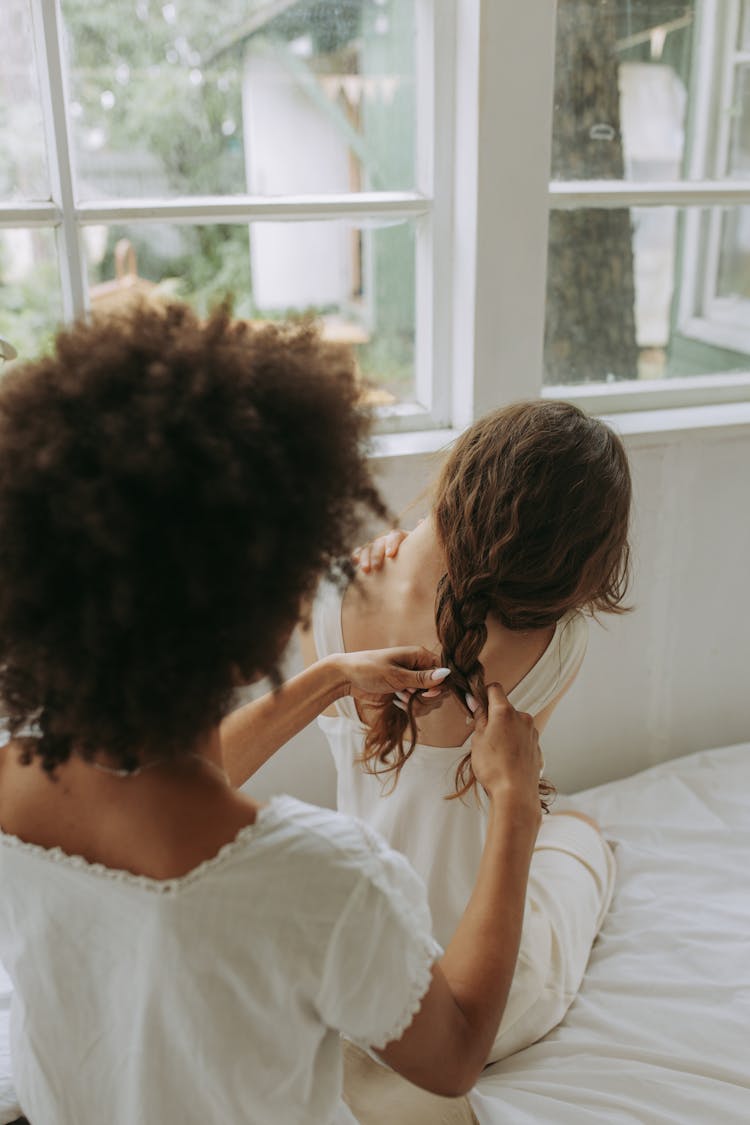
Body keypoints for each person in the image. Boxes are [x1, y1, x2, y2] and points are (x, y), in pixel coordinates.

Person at [0, 302, 545, 1125]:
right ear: (257, 610)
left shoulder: (14, 779)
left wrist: (328, 679)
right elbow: (457, 1051)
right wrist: (517, 806)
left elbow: (164, 787)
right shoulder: (325, 879)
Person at [302, 400, 631, 1090]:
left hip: (355, 972)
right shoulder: (556, 645)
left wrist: (403, 540)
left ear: (458, 473)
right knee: (584, 832)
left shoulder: (329, 592)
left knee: (560, 830)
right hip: (474, 999)